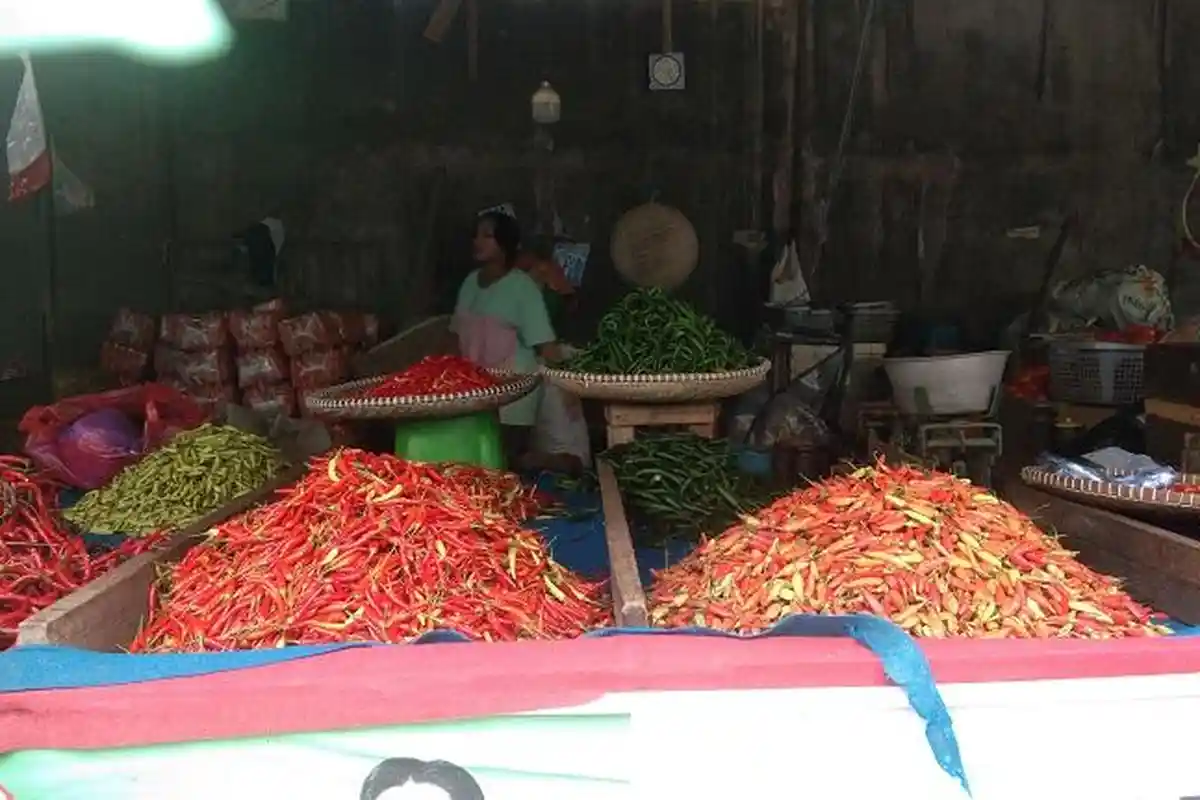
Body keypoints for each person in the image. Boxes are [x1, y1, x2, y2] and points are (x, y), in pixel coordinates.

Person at [452, 212, 564, 465]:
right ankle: (556, 462)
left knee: (505, 462)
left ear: (505, 243)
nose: (477, 241)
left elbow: (546, 346)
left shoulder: (521, 287)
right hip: (476, 394)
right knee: (479, 464)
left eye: (487, 236)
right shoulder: (470, 283)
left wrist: (569, 388)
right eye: (476, 235)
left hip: (513, 396)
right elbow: (455, 333)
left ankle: (561, 463)